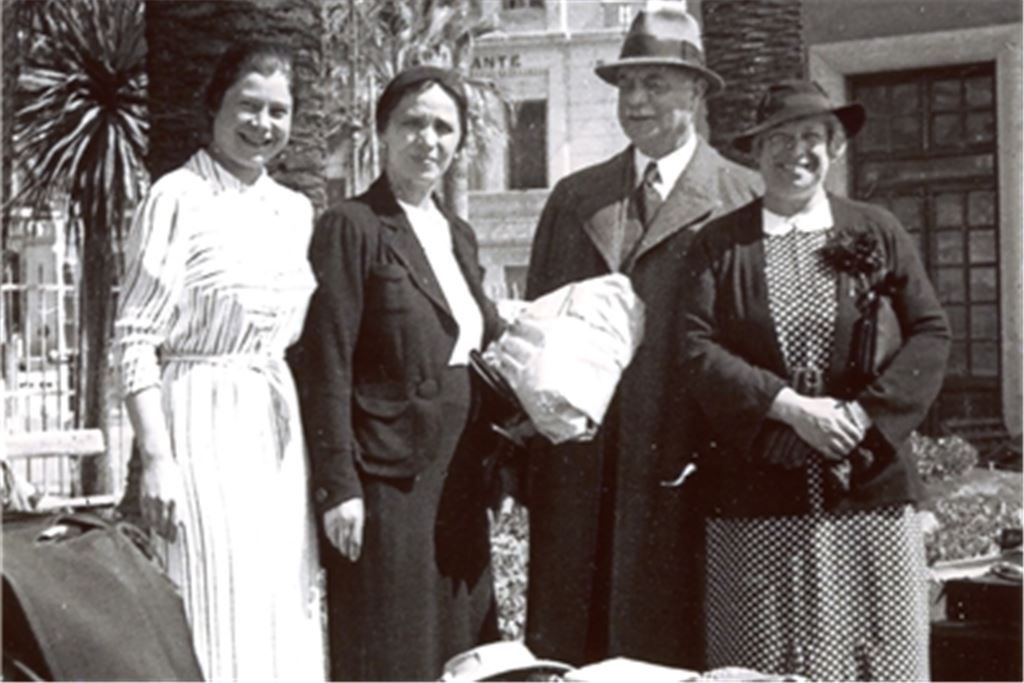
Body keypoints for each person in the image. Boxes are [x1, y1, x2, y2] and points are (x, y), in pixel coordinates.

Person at [682, 80, 950, 680]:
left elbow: (930, 333)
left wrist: (863, 417)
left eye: (811, 137)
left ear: (836, 148)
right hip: (757, 496)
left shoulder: (875, 230)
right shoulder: (721, 244)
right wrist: (786, 406)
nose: (794, 152)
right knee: (760, 662)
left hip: (866, 491)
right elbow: (696, 349)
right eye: (778, 138)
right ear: (755, 151)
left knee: (876, 658)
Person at [523, 4, 761, 669]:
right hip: (581, 475)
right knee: (577, 649)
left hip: (689, 470)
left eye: (655, 83)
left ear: (697, 91)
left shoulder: (743, 196)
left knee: (679, 651)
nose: (635, 100)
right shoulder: (576, 197)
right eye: (627, 85)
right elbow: (538, 328)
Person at [114, 42, 325, 680]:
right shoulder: (175, 197)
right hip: (199, 423)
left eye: (278, 111)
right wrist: (157, 459)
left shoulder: (295, 211)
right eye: (248, 106)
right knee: (214, 599)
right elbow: (134, 339)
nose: (263, 124)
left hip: (273, 427)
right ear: (215, 106)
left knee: (280, 605)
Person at [295, 65, 503, 681]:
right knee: (395, 653)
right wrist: (339, 487)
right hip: (388, 483)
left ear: (461, 141)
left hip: (458, 481)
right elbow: (325, 361)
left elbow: (474, 348)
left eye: (444, 127)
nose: (428, 140)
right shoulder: (351, 227)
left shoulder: (457, 235)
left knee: (463, 653)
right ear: (382, 132)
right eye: (412, 123)